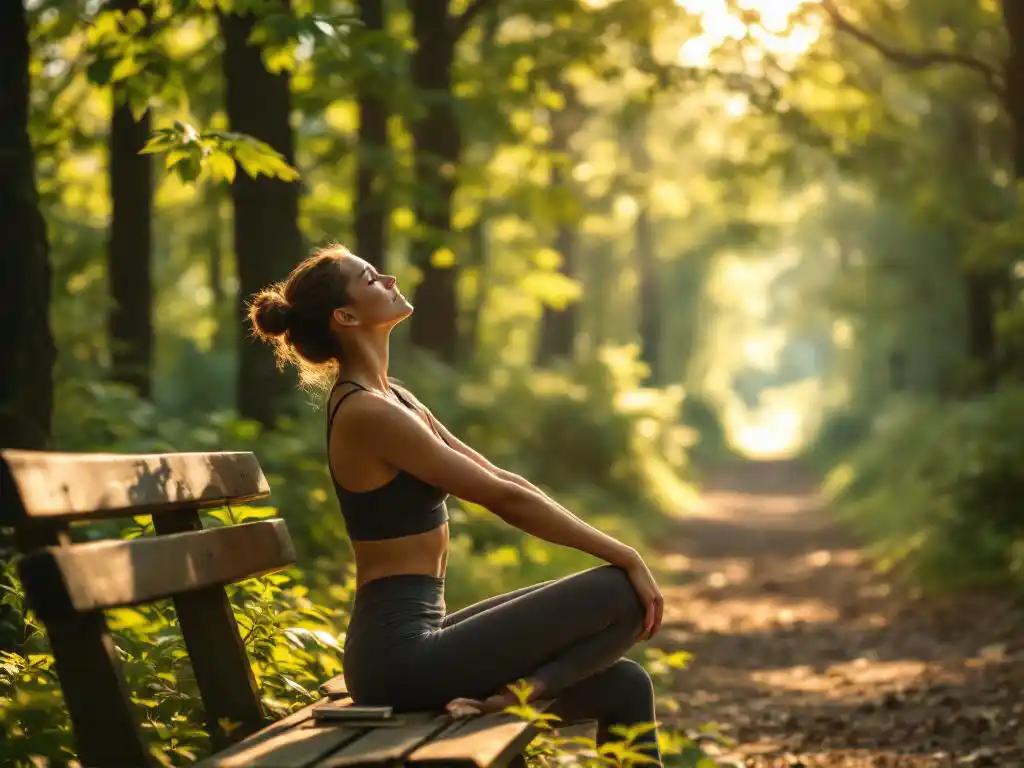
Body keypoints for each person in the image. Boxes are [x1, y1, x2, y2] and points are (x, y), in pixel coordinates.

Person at [249, 245, 665, 761]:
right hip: (397, 659)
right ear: (346, 316)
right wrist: (626, 555)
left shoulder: (393, 397)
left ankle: (525, 691)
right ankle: (524, 693)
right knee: (620, 590)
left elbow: (499, 477)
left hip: (424, 637)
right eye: (371, 278)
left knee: (626, 685)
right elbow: (503, 499)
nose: (390, 277)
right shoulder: (364, 412)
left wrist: (621, 556)